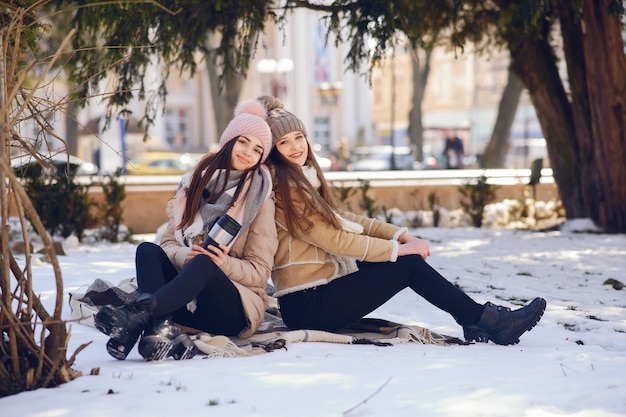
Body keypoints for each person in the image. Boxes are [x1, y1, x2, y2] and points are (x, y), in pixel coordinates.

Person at [259, 96, 546, 346]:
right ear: (274, 149)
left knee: (404, 262)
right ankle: (486, 320)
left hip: (318, 292)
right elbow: (334, 239)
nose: (295, 146)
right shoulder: (285, 188)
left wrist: (398, 235)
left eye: (299, 137)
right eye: (284, 142)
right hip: (307, 304)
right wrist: (397, 251)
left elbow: (343, 219)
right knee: (406, 266)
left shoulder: (302, 179)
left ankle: (476, 318)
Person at [94, 99, 278, 361]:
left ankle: (135, 319)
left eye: (258, 149)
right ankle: (157, 330)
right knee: (147, 250)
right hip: (183, 301)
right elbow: (168, 242)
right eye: (243, 141)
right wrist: (182, 256)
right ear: (229, 140)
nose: (249, 152)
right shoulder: (194, 183)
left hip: (232, 310)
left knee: (205, 262)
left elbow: (260, 273)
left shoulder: (260, 199)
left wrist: (222, 263)